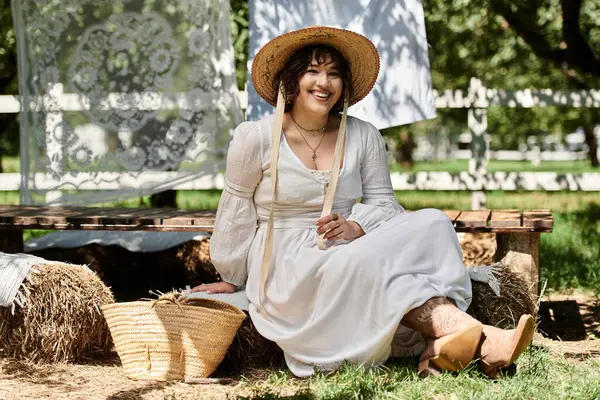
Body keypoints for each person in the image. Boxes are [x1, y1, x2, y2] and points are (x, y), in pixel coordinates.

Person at [191, 26, 534, 378]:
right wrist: (232, 276)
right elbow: (236, 208)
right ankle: (486, 342)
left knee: (432, 221)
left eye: (334, 74)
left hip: (350, 247)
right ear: (291, 79)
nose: (324, 82)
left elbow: (385, 205)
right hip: (286, 261)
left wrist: (356, 226)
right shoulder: (256, 138)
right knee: (377, 270)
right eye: (313, 70)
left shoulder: (362, 135)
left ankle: (451, 344)